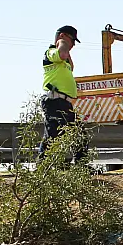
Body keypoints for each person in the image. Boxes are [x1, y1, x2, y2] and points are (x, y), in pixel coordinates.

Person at [39, 25, 82, 159]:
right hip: (54, 101)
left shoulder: (61, 60)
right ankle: (43, 164)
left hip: (64, 102)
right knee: (53, 134)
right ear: (62, 36)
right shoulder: (51, 52)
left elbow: (71, 66)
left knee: (77, 132)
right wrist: (61, 42)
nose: (73, 44)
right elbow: (62, 53)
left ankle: (81, 164)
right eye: (72, 40)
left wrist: (66, 46)